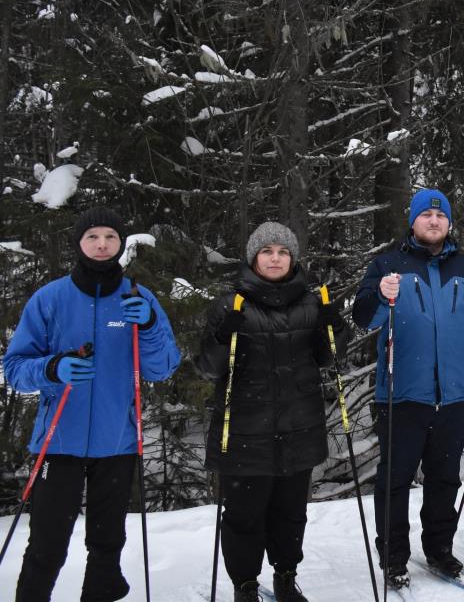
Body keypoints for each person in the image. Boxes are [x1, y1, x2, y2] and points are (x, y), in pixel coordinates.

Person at [3, 207, 179, 602]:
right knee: (46, 544)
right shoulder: (51, 298)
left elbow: (163, 367)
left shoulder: (138, 297)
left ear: (121, 243)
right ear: (79, 243)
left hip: (117, 439)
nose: (101, 245)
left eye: (110, 237)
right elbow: (13, 368)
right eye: (92, 237)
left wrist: (149, 326)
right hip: (59, 440)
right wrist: (53, 367)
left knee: (107, 543)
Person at [352, 189, 464, 588]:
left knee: (444, 478)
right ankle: (393, 558)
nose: (433, 221)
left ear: (448, 223)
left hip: (454, 396)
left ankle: (439, 549)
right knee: (394, 480)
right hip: (402, 394)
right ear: (412, 222)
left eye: (440, 216)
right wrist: (381, 294)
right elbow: (363, 318)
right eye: (425, 215)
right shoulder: (387, 265)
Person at [196, 222, 348, 602]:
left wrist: (336, 330)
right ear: (254, 258)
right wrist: (220, 336)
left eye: (283, 252)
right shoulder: (231, 304)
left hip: (299, 428)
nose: (275, 258)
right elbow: (208, 368)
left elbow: (328, 360)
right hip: (246, 433)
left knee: (290, 514)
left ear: (293, 258)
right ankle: (245, 584)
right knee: (243, 517)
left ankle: (285, 576)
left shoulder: (312, 303)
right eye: (267, 252)